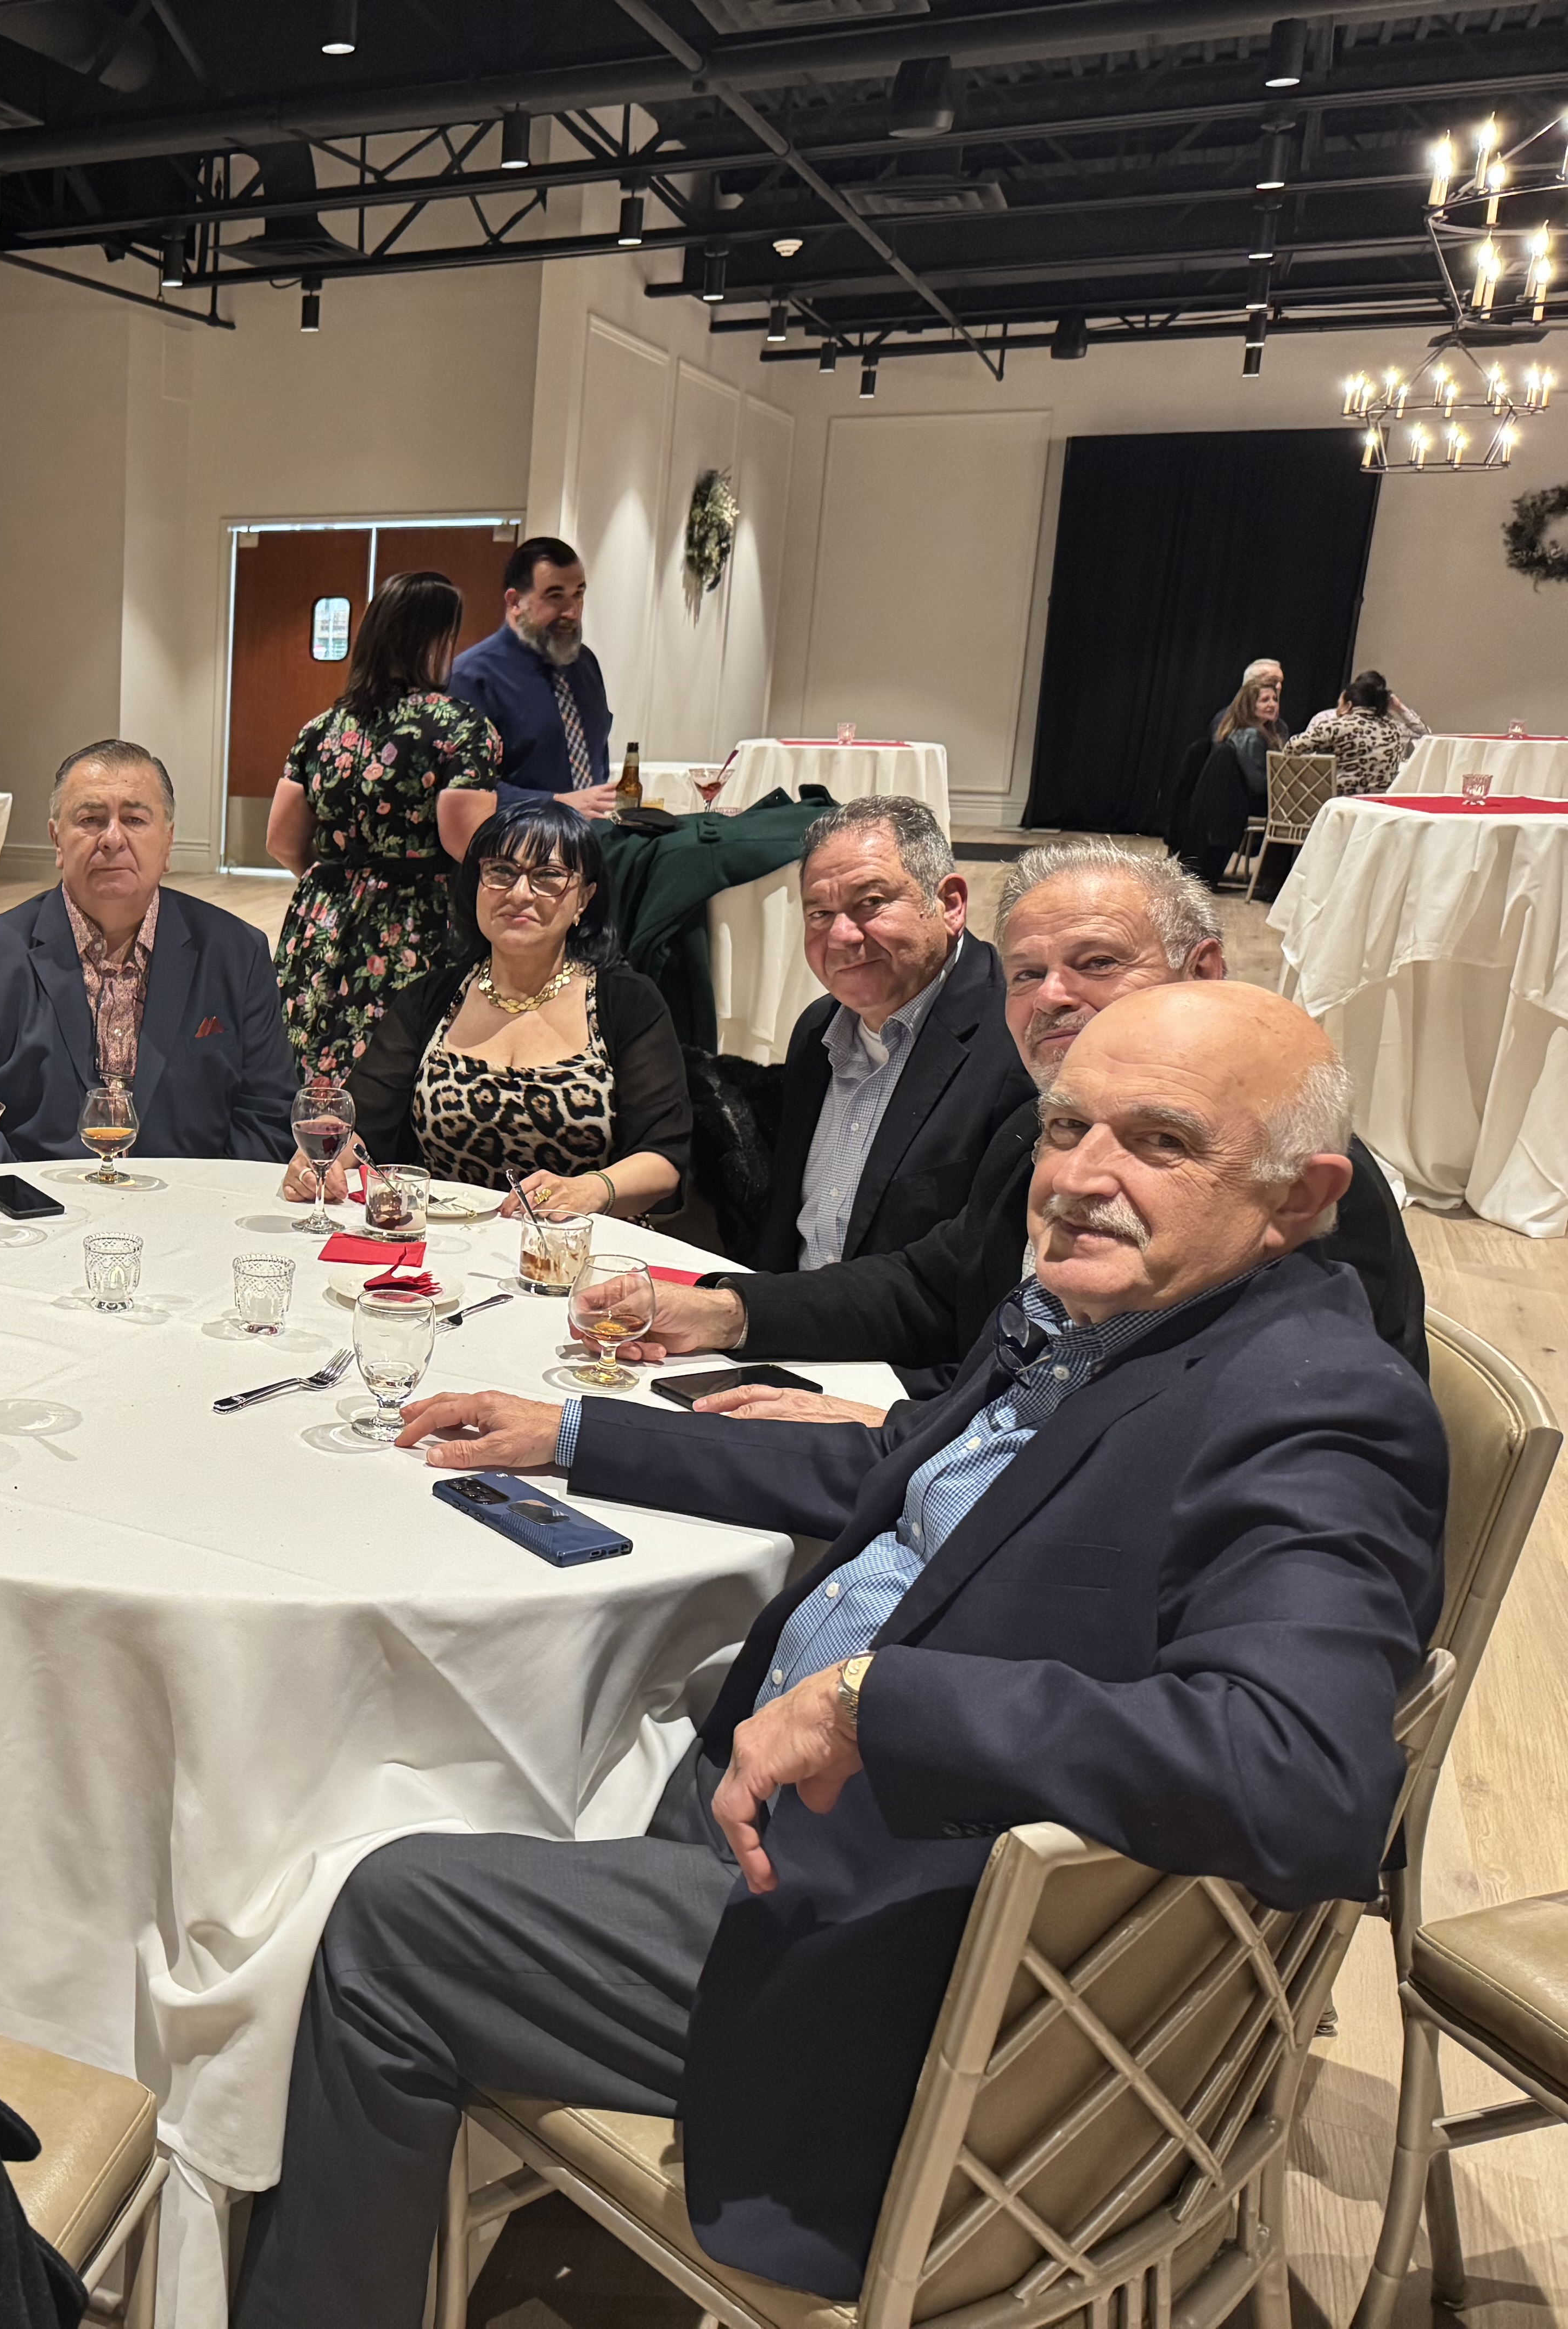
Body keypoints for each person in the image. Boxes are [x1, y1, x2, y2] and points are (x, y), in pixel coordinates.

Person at [236, 980, 1444, 2324]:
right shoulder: (1107, 1319)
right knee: (464, 1746)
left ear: (1297, 1199)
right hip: (783, 1808)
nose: (1079, 1179)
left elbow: (1306, 1777)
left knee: (386, 1916)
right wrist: (574, 1436)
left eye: (1161, 1143)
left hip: (906, 1969)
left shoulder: (1313, 1408)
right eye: (1066, 1129)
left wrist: (880, 1702)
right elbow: (892, 1469)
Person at [558, 838, 1426, 1418]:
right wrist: (724, 1311)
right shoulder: (1039, 1128)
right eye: (1027, 973)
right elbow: (928, 1285)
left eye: (1096, 963)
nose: (1053, 997)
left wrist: (905, 1429)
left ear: (1202, 971)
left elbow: (1197, 1423)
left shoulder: (1284, 1165)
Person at [289, 795, 688, 1218]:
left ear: (585, 898)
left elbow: (663, 1158)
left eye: (548, 876)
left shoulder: (626, 1002)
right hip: (447, 1238)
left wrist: (590, 1190)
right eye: (501, 872)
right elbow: (360, 1129)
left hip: (577, 1240)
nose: (520, 893)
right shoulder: (431, 999)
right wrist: (319, 1164)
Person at [0, 739, 293, 1166]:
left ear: (169, 841)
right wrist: (32, 1201)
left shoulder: (237, 954)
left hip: (193, 1200)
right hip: (34, 1202)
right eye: (90, 820)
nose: (113, 839)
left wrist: (203, 1201)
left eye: (135, 819)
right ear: (57, 841)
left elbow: (268, 1118)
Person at [747, 798, 1033, 1272]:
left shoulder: (1018, 1039)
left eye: (871, 903)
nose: (841, 936)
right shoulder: (817, 1029)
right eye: (820, 914)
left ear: (950, 904)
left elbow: (980, 1268)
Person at [268, 570, 504, 1082]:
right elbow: (464, 843)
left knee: (315, 1056)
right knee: (403, 1066)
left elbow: (281, 839)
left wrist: (341, 880)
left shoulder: (322, 729)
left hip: (323, 917)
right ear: (437, 640)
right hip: (419, 921)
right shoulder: (461, 727)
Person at [445, 534, 621, 816]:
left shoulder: (585, 664)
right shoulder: (470, 678)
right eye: (555, 596)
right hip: (515, 839)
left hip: (592, 836)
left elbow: (597, 758)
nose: (572, 612)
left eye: (578, 594)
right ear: (515, 602)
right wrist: (556, 803)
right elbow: (463, 791)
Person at [1177, 668, 1285, 888]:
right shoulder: (1251, 736)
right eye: (1264, 700)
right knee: (1291, 817)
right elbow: (1259, 784)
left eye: (1274, 699)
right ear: (1249, 706)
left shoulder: (1242, 731)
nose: (1272, 704)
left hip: (1227, 807)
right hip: (1241, 805)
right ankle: (1274, 883)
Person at [1297, 667, 1429, 798]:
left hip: (1337, 797)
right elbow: (1425, 735)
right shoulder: (1393, 728)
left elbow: (1296, 750)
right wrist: (1400, 708)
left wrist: (1399, 707)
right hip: (1362, 798)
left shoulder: (1388, 725)